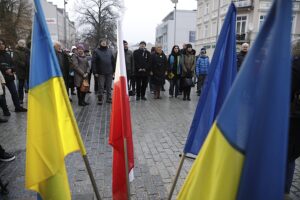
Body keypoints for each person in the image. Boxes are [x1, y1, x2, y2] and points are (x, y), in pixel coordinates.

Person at [285, 40, 300, 199]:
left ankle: (283, 191)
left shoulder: (294, 66)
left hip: (293, 117)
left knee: (287, 155)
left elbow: (285, 93)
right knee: (291, 156)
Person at [0, 39, 27, 113]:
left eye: (2, 44)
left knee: (14, 92)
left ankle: (18, 107)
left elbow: (13, 64)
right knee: (3, 95)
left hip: (9, 77)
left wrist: (11, 70)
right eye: (0, 44)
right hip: (1, 79)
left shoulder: (7, 54)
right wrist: (5, 70)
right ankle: (5, 111)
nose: (1, 45)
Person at [92, 38, 115, 104]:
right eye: (102, 42)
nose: (104, 43)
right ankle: (100, 99)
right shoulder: (96, 51)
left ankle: (109, 98)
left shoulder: (110, 51)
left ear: (106, 43)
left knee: (109, 86)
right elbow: (94, 62)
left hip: (109, 71)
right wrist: (95, 72)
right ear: (100, 43)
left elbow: (113, 61)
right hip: (100, 72)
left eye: (105, 42)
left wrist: (114, 70)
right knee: (101, 86)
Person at [13, 39, 30, 104]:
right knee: (20, 86)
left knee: (28, 86)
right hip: (20, 71)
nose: (23, 44)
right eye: (21, 43)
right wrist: (23, 64)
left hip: (27, 70)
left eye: (23, 43)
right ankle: (20, 99)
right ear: (19, 44)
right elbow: (16, 60)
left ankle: (29, 98)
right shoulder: (16, 51)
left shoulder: (26, 50)